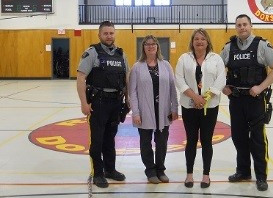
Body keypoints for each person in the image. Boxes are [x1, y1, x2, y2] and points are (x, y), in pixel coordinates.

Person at [220, 14, 273, 191]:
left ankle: (261, 177)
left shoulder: (262, 45)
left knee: (257, 139)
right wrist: (223, 86)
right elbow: (216, 69)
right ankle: (243, 171)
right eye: (239, 25)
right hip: (236, 101)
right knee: (239, 138)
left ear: (251, 25)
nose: (242, 28)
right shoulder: (228, 47)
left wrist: (261, 87)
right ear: (235, 27)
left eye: (245, 24)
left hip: (256, 100)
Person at [76, 21, 129, 188]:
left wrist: (128, 99)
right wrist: (84, 103)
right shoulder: (92, 53)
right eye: (105, 33)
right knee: (97, 140)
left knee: (110, 138)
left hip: (115, 103)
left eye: (111, 33)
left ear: (115, 34)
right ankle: (98, 173)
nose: (109, 36)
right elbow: (80, 78)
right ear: (99, 35)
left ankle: (110, 170)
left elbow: (126, 78)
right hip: (98, 103)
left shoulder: (121, 54)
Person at [175, 28, 226, 188]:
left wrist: (206, 97)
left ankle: (206, 175)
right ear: (192, 41)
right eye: (196, 39)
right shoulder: (184, 58)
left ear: (207, 42)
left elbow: (221, 79)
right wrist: (194, 97)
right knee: (191, 140)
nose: (199, 42)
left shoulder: (216, 58)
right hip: (189, 106)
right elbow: (179, 79)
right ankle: (189, 175)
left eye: (202, 39)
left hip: (209, 106)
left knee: (206, 141)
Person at [129, 35, 178, 184]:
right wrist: (135, 112)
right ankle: (150, 171)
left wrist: (174, 108)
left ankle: (160, 170)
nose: (150, 46)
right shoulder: (137, 67)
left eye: (153, 44)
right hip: (144, 111)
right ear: (143, 47)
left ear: (157, 47)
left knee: (162, 142)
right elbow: (133, 92)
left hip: (163, 111)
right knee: (145, 143)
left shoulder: (166, 65)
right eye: (147, 44)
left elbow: (172, 88)